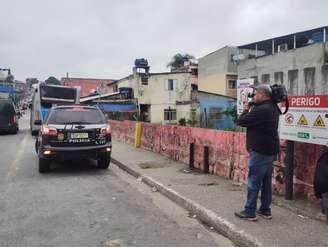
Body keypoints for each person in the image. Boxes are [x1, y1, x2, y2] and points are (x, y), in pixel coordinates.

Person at [234, 84, 280, 221]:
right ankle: (265, 210)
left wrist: (245, 109)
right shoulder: (273, 107)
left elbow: (241, 121)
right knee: (266, 183)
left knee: (254, 182)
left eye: (256, 94)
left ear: (263, 95)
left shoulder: (261, 110)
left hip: (260, 151)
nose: (254, 96)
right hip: (270, 151)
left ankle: (249, 212)